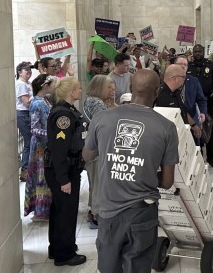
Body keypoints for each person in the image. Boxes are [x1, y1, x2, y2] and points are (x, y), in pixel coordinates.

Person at [83, 69, 179, 273]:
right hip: (142, 212)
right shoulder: (166, 127)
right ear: (158, 90)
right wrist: (143, 171)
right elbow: (168, 182)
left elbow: (87, 155)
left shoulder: (102, 118)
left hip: (109, 211)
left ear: (130, 88)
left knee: (108, 267)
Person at [44, 77, 87, 266]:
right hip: (63, 170)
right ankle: (65, 254)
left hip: (65, 169)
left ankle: (58, 247)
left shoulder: (67, 110)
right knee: (66, 212)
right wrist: (63, 179)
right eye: (78, 88)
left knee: (60, 209)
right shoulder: (64, 116)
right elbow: (60, 149)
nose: (80, 90)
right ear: (72, 92)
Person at [83, 75, 116, 229]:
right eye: (109, 87)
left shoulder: (97, 101)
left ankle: (94, 211)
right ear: (99, 87)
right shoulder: (95, 103)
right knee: (97, 184)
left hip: (96, 149)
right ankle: (96, 215)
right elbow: (105, 124)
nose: (112, 90)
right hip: (96, 151)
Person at [24, 74, 57, 222]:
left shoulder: (45, 101)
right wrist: (52, 135)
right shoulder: (37, 104)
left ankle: (45, 208)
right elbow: (35, 128)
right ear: (45, 86)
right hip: (40, 146)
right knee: (40, 177)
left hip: (46, 145)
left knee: (45, 176)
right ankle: (40, 210)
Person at [187, 44, 213, 168]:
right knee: (195, 130)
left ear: (203, 52)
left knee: (210, 130)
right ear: (193, 52)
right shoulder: (188, 66)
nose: (197, 53)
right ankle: (198, 155)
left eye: (200, 51)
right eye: (195, 51)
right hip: (192, 104)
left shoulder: (212, 66)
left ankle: (212, 157)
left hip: (209, 103)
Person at [155, 65, 202, 139]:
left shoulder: (176, 92)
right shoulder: (160, 96)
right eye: (183, 77)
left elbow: (183, 111)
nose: (185, 80)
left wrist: (193, 125)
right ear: (175, 78)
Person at [175, 55, 207, 145]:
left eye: (185, 64)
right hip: (176, 121)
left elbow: (201, 100)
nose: (183, 66)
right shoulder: (170, 80)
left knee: (195, 147)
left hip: (193, 119)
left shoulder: (193, 81)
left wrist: (203, 112)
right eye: (180, 64)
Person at [16, 61, 34, 182]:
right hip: (23, 114)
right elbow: (26, 103)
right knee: (29, 142)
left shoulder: (28, 84)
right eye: (26, 69)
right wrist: (37, 95)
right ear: (19, 72)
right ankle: (25, 170)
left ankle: (27, 169)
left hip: (27, 115)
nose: (29, 71)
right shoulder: (21, 84)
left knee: (30, 141)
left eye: (30, 69)